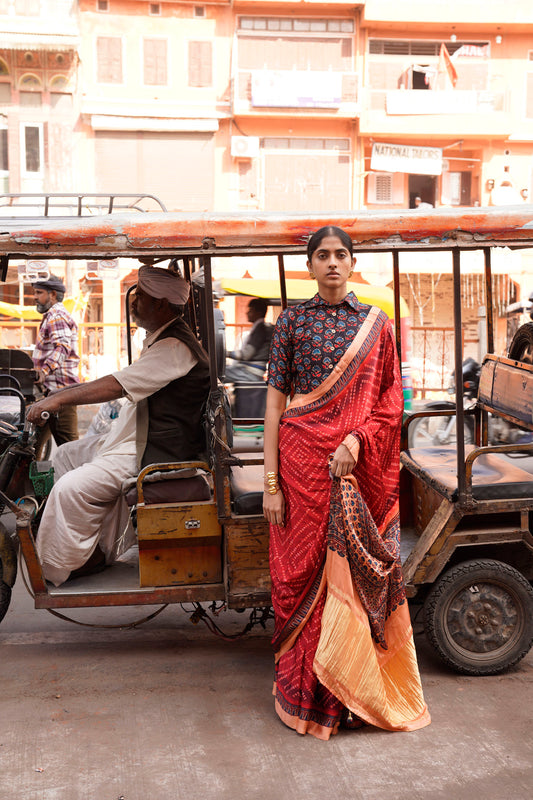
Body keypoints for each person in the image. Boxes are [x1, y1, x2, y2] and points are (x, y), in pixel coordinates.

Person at [263, 225, 430, 740]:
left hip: (353, 468)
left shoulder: (376, 324)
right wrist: (271, 482)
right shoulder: (291, 321)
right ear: (309, 266)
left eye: (341, 254)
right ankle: (307, 690)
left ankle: (351, 693)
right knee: (300, 578)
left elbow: (389, 400)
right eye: (322, 256)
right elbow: (274, 403)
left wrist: (357, 440)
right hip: (299, 468)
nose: (332, 263)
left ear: (352, 263)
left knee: (353, 577)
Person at [27, 265, 210, 586]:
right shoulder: (161, 338)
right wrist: (57, 395)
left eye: (141, 296)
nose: (134, 301)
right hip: (136, 436)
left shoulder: (174, 347)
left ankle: (60, 566)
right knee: (65, 456)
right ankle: (97, 549)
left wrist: (57, 400)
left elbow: (116, 385)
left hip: (154, 450)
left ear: (162, 305)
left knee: (68, 490)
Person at [32, 274, 80, 451]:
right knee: (31, 446)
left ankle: (81, 479)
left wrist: (44, 371)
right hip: (50, 395)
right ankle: (30, 479)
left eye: (39, 292)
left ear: (52, 294)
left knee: (71, 449)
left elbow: (62, 347)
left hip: (62, 394)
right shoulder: (51, 316)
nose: (35, 297)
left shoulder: (56, 316)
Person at [225, 297, 273, 384]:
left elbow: (246, 354)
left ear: (258, 313)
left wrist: (226, 353)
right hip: (250, 371)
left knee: (216, 373)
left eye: (250, 310)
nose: (247, 313)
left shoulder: (260, 329)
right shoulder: (259, 327)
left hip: (250, 373)